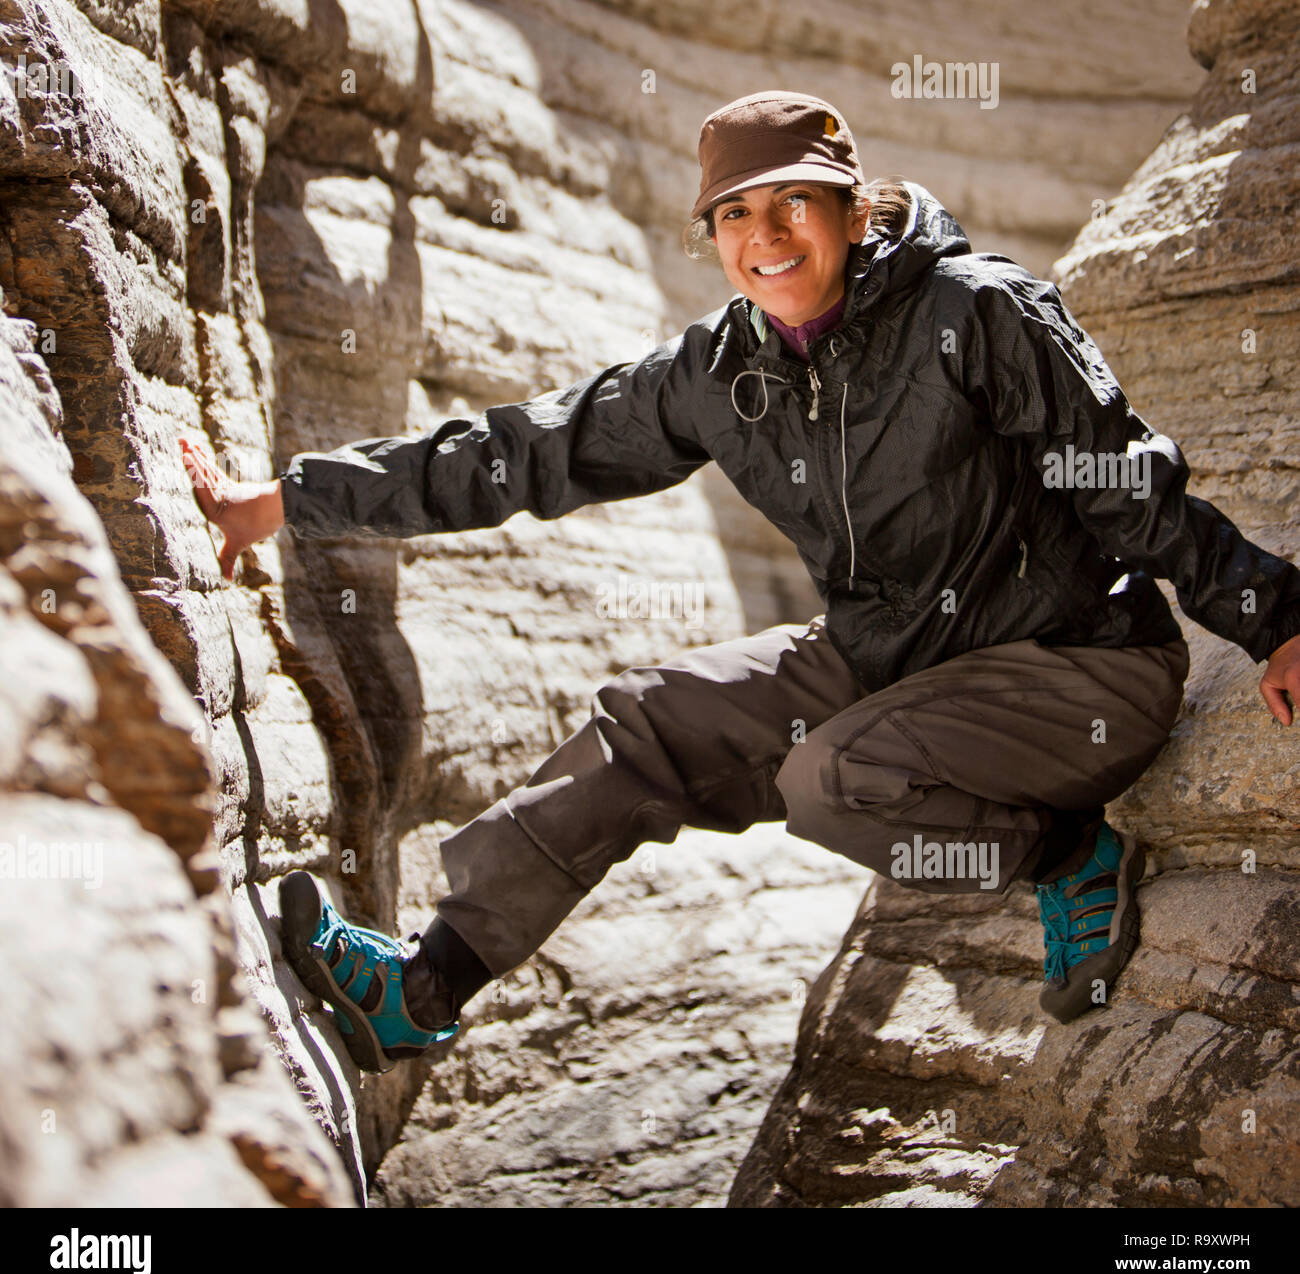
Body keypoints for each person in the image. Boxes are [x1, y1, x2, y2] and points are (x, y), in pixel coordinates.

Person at [181, 90, 1300, 1075]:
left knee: (828, 779)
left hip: (1081, 671)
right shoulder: (722, 368)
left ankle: (1067, 853)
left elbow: (1124, 486)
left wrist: (1277, 619)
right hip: (893, 662)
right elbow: (525, 452)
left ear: (853, 211)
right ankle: (421, 990)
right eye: (734, 215)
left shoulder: (976, 310)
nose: (763, 238)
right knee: (645, 725)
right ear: (713, 234)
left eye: (791, 206)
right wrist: (285, 498)